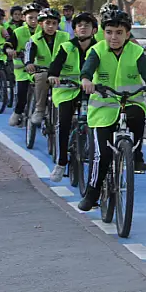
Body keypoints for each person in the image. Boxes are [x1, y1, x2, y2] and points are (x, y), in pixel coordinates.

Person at [76, 9, 146, 211]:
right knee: (102, 155)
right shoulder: (97, 50)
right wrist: (86, 80)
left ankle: (137, 155)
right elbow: (87, 69)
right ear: (103, 33)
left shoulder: (135, 51)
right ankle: (92, 193)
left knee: (139, 116)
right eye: (109, 32)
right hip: (103, 109)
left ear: (127, 34)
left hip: (130, 102)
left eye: (118, 32)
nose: (113, 37)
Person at [46, 12, 98, 182]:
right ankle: (61, 163)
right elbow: (54, 67)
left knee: (100, 119)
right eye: (79, 25)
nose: (83, 27)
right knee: (65, 122)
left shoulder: (100, 48)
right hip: (67, 90)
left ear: (94, 30)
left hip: (91, 91)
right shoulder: (66, 46)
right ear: (75, 30)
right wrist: (53, 76)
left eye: (87, 25)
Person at [24, 8, 70, 127]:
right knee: (43, 77)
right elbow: (29, 53)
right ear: (40, 23)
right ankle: (39, 109)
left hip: (60, 72)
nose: (51, 26)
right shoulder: (34, 39)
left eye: (54, 23)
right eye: (47, 23)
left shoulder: (65, 37)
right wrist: (29, 63)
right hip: (41, 71)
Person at [6, 2, 41, 127]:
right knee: (22, 94)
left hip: (38, 68)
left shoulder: (44, 30)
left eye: (36, 18)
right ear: (24, 18)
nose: (33, 21)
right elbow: (8, 45)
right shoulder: (18, 31)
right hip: (22, 69)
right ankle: (17, 113)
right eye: (30, 17)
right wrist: (10, 51)